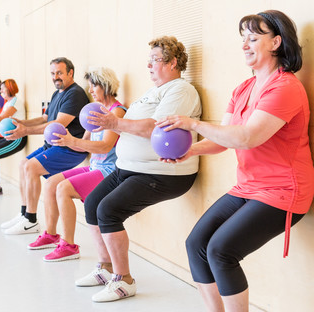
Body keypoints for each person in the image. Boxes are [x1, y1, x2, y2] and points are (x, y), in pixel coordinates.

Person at [156, 10, 314, 312]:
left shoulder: (285, 87)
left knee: (220, 250)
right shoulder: (243, 88)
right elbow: (223, 140)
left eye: (253, 38)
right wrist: (190, 151)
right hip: (248, 188)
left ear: (276, 43)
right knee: (196, 245)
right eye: (242, 39)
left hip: (283, 193)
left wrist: (193, 124)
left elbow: (247, 137)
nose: (245, 44)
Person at [76, 36, 201, 302]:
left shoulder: (180, 90)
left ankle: (124, 281)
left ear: (173, 62)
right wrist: (110, 124)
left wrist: (114, 123)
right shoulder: (152, 92)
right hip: (129, 167)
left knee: (108, 211)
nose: (149, 66)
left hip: (163, 173)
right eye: (149, 61)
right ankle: (106, 268)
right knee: (92, 204)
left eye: (155, 60)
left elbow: (156, 128)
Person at [26, 67, 126, 262]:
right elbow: (83, 146)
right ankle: (51, 234)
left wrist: (73, 141)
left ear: (105, 86)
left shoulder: (117, 112)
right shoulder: (95, 110)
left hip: (109, 171)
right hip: (95, 167)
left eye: (93, 86)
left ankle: (69, 245)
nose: (90, 91)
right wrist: (67, 139)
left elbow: (105, 146)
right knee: (52, 183)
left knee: (63, 189)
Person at [0, 57, 89, 235]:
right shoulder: (57, 93)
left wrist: (25, 131)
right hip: (53, 146)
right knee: (23, 164)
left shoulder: (75, 94)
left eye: (59, 73)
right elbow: (45, 118)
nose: (55, 77)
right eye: (52, 73)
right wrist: (22, 122)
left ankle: (31, 221)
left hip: (69, 148)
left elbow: (58, 124)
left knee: (31, 168)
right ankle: (24, 213)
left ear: (70, 73)